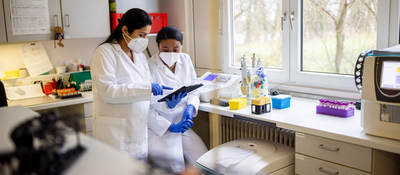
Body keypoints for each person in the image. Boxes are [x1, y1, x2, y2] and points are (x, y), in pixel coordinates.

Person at [90, 8, 171, 160]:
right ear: (125, 29)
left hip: (138, 135)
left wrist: (166, 102)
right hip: (114, 137)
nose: (144, 39)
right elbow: (108, 92)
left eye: (146, 35)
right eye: (141, 35)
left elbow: (145, 93)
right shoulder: (104, 52)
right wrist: (148, 88)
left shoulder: (139, 55)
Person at [147, 26, 208, 173]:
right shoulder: (149, 66)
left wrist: (190, 108)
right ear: (158, 47)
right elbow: (145, 107)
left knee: (204, 161)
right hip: (160, 130)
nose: (171, 53)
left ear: (181, 46)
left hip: (182, 124)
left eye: (176, 49)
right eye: (166, 49)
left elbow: (194, 89)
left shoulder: (185, 59)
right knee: (175, 168)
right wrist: (168, 114)